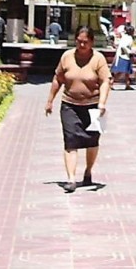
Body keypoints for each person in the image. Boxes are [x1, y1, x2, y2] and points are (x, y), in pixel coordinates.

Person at [45, 26, 110, 193]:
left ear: (92, 42)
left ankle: (88, 171)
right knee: (70, 140)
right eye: (79, 41)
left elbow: (105, 81)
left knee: (93, 141)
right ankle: (71, 179)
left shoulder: (98, 59)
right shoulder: (67, 57)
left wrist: (102, 102)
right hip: (69, 105)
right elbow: (58, 79)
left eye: (85, 42)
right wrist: (50, 100)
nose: (82, 45)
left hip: (94, 106)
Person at [111, 25, 135, 90]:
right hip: (123, 56)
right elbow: (124, 46)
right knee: (121, 71)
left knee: (127, 71)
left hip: (125, 56)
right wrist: (130, 52)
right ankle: (111, 83)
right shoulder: (128, 38)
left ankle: (127, 84)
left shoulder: (125, 37)